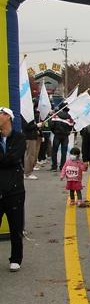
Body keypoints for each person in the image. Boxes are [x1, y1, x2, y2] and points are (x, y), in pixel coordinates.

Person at [0, 107, 26, 272]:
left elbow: (14, 158)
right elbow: (8, 159)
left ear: (8, 118)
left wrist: (5, 159)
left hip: (15, 190)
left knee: (15, 227)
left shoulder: (18, 137)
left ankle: (16, 258)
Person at [49, 105, 74, 171]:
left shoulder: (56, 115)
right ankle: (62, 166)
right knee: (64, 152)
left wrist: (54, 132)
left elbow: (51, 125)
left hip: (57, 135)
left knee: (54, 151)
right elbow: (71, 127)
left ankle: (54, 166)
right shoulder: (69, 117)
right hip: (65, 136)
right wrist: (67, 133)